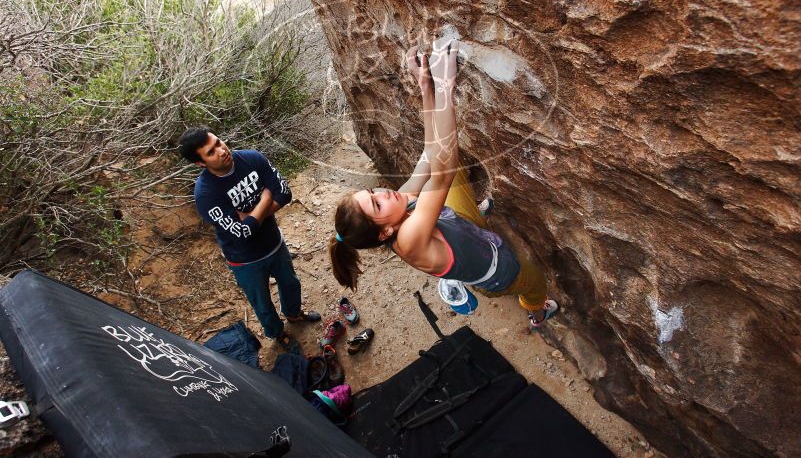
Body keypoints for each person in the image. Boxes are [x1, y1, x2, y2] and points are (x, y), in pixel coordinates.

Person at [328, 39, 559, 330]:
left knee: (444, 165)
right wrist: (446, 85)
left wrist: (426, 88)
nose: (383, 192)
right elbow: (441, 171)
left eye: (373, 192)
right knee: (534, 280)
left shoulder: (396, 208)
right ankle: (538, 314)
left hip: (460, 227)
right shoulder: (409, 239)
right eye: (376, 203)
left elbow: (429, 153)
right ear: (385, 231)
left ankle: (476, 217)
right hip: (497, 271)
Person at [179, 128, 320, 352]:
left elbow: (284, 193)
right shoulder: (205, 194)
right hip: (245, 260)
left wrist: (251, 216)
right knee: (262, 303)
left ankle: (294, 314)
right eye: (211, 151)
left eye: (218, 142)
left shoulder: (251, 158)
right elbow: (243, 233)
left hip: (274, 243)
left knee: (290, 283)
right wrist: (265, 199)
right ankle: (277, 333)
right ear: (200, 163)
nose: (221, 150)